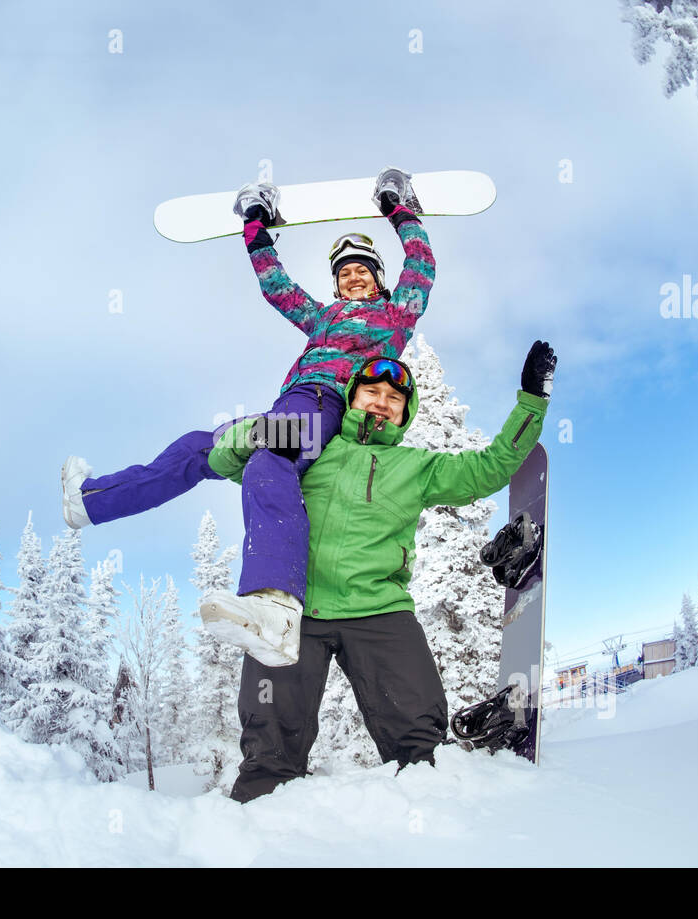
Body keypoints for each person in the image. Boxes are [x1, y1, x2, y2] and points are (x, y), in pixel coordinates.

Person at [61, 167, 436, 663]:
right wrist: (255, 227)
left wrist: (399, 210)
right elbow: (277, 287)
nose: (353, 277)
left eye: (363, 269)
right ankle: (92, 503)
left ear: (378, 278)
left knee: (269, 459)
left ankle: (275, 607)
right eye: (345, 272)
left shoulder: (395, 317)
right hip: (291, 406)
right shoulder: (322, 317)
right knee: (198, 447)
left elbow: (422, 265)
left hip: (327, 406)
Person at [204, 343, 556, 802]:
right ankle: (258, 838)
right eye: (371, 391)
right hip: (293, 612)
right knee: (268, 751)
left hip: (378, 611)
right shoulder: (312, 448)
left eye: (394, 399)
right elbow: (226, 460)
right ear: (350, 398)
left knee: (422, 746)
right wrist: (259, 431)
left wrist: (532, 401)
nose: (381, 402)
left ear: (404, 415)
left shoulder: (416, 467)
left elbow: (490, 469)